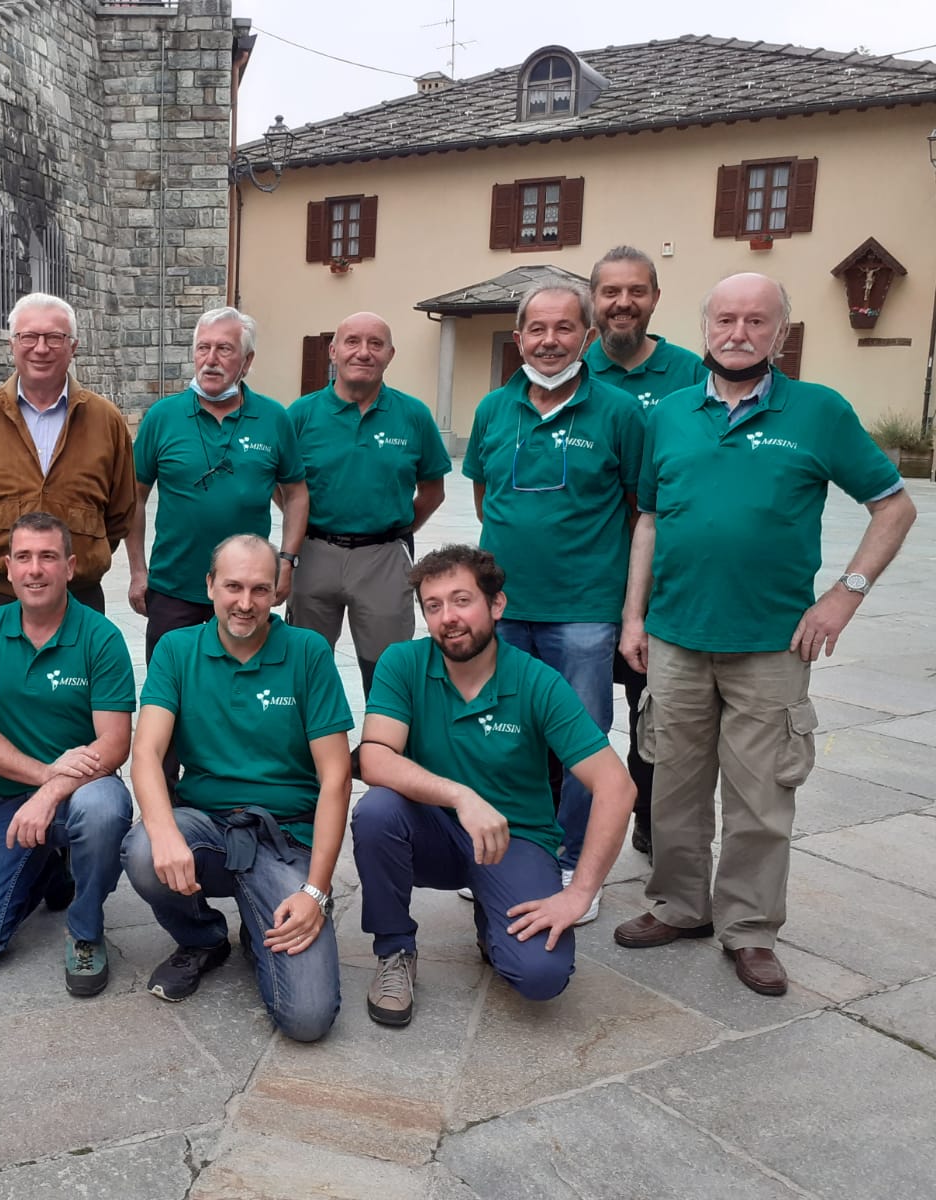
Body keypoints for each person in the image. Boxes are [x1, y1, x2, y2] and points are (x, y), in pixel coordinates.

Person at [615, 272, 916, 998]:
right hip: (676, 639)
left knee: (760, 798)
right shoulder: (671, 414)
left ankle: (748, 929)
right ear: (705, 326)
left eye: (756, 320)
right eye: (725, 318)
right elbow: (649, 520)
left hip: (771, 646)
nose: (738, 332)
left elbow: (895, 507)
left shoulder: (818, 411)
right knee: (674, 788)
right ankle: (679, 906)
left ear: (780, 332)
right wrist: (633, 617)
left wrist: (844, 596)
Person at [351, 545, 634, 1027]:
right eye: (434, 606)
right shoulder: (403, 662)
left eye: (461, 600)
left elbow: (616, 787)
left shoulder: (537, 681)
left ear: (496, 604)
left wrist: (580, 892)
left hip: (513, 838)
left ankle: (492, 913)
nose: (448, 617)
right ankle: (394, 950)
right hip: (432, 830)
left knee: (541, 976)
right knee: (376, 812)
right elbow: (374, 757)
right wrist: (461, 796)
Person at [461, 278, 643, 923]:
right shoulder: (492, 410)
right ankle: (507, 848)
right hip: (503, 610)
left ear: (587, 337)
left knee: (581, 738)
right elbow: (486, 499)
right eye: (536, 329)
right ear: (518, 339)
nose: (549, 340)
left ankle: (571, 860)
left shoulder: (619, 412)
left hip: (584, 610)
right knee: (501, 731)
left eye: (564, 327)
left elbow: (636, 508)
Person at [121, 534, 351, 1043]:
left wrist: (316, 890)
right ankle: (202, 938)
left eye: (260, 589)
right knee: (142, 850)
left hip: (284, 836)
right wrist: (163, 832)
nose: (245, 603)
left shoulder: (307, 652)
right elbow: (147, 753)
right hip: (207, 826)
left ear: (277, 592)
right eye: (233, 587)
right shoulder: (178, 650)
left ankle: (260, 922)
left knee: (308, 1018)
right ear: (210, 586)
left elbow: (336, 777)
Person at [0, 512, 136, 995]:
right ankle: (50, 865)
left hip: (84, 792)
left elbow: (114, 743)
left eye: (48, 557)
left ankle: (85, 929)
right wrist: (45, 775)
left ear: (69, 567)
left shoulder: (100, 637)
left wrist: (52, 792)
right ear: (7, 568)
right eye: (24, 557)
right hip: (10, 801)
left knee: (104, 808)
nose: (35, 569)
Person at [583, 246, 708, 860]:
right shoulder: (569, 369)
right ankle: (565, 821)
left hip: (660, 585)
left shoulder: (690, 374)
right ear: (594, 300)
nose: (623, 303)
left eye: (636, 291)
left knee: (652, 711)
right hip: (583, 583)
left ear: (655, 298)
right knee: (570, 712)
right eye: (610, 292)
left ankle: (651, 818)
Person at [127, 307, 307, 661]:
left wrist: (286, 561)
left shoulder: (273, 418)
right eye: (203, 348)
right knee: (171, 684)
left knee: (244, 681)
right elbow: (133, 498)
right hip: (173, 588)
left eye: (224, 349)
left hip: (246, 593)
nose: (211, 360)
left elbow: (297, 494)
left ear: (247, 360)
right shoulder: (162, 417)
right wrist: (137, 571)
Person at [287, 311, 450, 698]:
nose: (363, 352)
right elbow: (286, 489)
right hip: (314, 552)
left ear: (390, 354)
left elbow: (433, 491)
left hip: (384, 557)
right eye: (352, 342)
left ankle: (383, 736)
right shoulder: (300, 415)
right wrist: (302, 524)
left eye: (376, 344)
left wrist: (397, 530)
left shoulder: (413, 416)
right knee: (303, 668)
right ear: (333, 351)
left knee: (389, 673)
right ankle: (310, 737)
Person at [0, 293, 137, 617]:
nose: (40, 348)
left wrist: (83, 555)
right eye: (29, 337)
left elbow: (120, 512)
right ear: (12, 344)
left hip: (79, 597)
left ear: (73, 346)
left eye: (54, 337)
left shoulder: (105, 420)